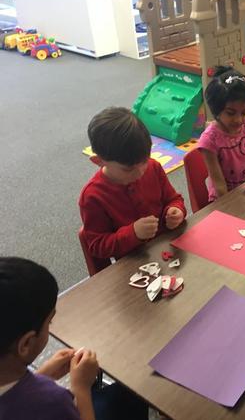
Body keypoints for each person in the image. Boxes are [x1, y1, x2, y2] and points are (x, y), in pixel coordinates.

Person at [0, 257, 148, 420]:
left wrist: (43, 375)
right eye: (49, 322)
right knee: (134, 392)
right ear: (26, 344)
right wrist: (81, 388)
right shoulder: (53, 401)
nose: (50, 326)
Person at [79, 107, 186, 271]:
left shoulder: (153, 168)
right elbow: (97, 246)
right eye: (128, 169)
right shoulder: (93, 196)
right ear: (98, 161)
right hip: (134, 267)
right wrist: (133, 233)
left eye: (144, 161)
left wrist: (176, 211)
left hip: (169, 251)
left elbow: (174, 199)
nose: (140, 172)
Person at [198, 67, 245, 202]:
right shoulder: (209, 141)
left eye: (244, 112)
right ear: (216, 109)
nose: (238, 120)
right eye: (230, 113)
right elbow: (219, 186)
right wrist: (232, 207)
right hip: (223, 201)